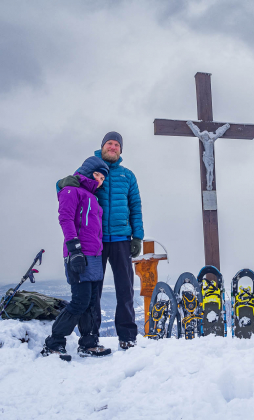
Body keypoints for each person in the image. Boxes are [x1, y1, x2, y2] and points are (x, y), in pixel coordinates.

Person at [58, 132, 144, 350]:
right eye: (109, 143)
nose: (113, 147)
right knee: (94, 290)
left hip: (121, 238)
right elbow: (68, 189)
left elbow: (135, 207)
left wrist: (138, 236)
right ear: (102, 147)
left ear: (121, 150)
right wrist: (60, 183)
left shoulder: (128, 176)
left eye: (117, 145)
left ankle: (127, 335)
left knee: (125, 288)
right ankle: (91, 336)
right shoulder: (92, 168)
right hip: (94, 241)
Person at [42, 156, 111, 361]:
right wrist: (75, 249)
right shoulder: (71, 190)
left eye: (102, 178)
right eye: (97, 175)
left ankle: (88, 344)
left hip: (94, 255)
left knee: (91, 301)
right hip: (79, 253)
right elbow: (65, 218)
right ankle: (54, 343)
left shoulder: (93, 197)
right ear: (87, 172)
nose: (99, 180)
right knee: (80, 301)